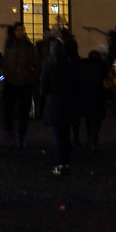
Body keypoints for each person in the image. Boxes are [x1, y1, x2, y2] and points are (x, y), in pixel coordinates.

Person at [39, 26, 84, 175]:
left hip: (56, 104)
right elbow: (78, 84)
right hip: (69, 103)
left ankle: (61, 163)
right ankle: (66, 162)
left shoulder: (49, 67)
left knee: (59, 136)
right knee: (66, 134)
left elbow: (44, 88)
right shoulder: (70, 65)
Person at [0, 24, 40, 147]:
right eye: (18, 30)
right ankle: (12, 134)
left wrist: (31, 78)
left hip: (24, 83)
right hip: (11, 82)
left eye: (21, 30)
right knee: (9, 111)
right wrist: (5, 76)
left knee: (23, 112)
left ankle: (21, 135)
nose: (20, 32)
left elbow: (35, 64)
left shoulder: (28, 47)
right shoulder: (10, 45)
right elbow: (5, 62)